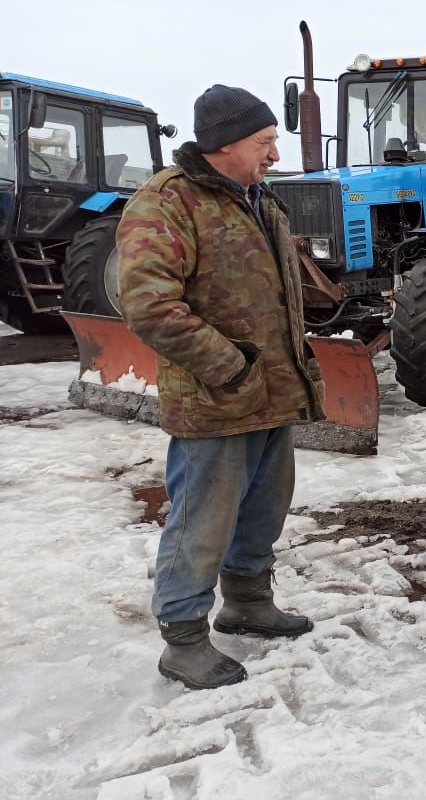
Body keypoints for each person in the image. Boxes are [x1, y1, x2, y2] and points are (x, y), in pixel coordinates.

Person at [118, 85, 325, 691]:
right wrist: (231, 366)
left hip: (272, 393)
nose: (275, 151)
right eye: (265, 141)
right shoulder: (168, 203)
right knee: (202, 520)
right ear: (226, 143)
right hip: (216, 398)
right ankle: (183, 640)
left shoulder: (261, 200)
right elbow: (150, 306)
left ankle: (248, 601)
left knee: (263, 508)